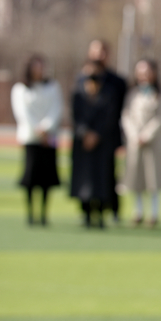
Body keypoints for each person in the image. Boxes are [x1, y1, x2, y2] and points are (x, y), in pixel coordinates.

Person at [10, 54, 63, 226]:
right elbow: (22, 113)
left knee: (47, 178)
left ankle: (44, 215)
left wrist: (46, 128)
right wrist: (37, 130)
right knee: (31, 177)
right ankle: (30, 214)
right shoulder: (20, 89)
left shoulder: (53, 87)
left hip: (49, 138)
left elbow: (56, 108)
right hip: (31, 138)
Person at [79, 39, 127, 222]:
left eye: (103, 52)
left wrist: (100, 132)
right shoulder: (81, 78)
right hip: (86, 137)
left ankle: (112, 209)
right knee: (86, 174)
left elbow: (117, 110)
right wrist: (85, 132)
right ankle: (86, 210)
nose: (99, 56)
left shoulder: (117, 82)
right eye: (95, 51)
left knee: (108, 175)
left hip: (108, 136)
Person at [121, 59, 161, 227]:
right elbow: (126, 116)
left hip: (152, 143)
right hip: (135, 142)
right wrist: (135, 135)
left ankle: (154, 213)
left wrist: (146, 135)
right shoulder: (132, 94)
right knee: (137, 178)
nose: (144, 75)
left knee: (153, 178)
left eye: (147, 71)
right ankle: (138, 211)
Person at [71, 60, 116, 228]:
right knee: (84, 179)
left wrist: (97, 134)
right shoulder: (78, 92)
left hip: (102, 143)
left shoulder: (108, 93)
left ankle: (101, 213)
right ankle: (86, 213)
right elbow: (76, 117)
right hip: (83, 144)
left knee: (102, 178)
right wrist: (85, 133)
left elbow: (109, 117)